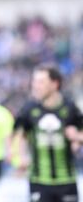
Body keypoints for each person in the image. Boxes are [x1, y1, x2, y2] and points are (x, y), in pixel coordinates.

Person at [12, 65, 83, 202]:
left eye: (41, 82)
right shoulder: (29, 109)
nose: (35, 86)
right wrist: (20, 157)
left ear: (55, 84)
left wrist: (77, 137)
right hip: (39, 181)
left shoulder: (70, 108)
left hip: (66, 180)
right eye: (34, 81)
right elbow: (20, 135)